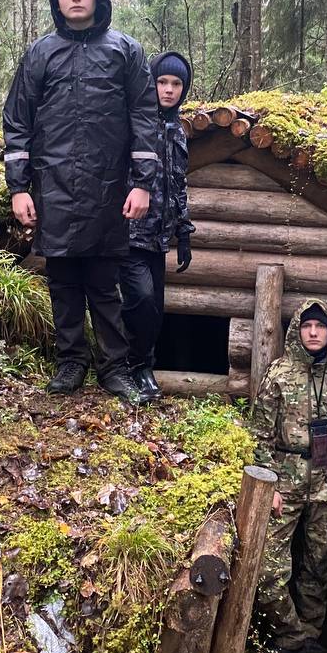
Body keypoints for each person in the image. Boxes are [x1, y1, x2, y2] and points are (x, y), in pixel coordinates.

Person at [3, 0, 160, 405]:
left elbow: (144, 119)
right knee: (63, 281)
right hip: (52, 189)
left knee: (105, 285)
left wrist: (142, 183)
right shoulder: (40, 53)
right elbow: (17, 122)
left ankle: (114, 368)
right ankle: (71, 362)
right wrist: (19, 188)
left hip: (111, 189)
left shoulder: (125, 51)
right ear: (57, 1)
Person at [251, 299, 327, 653]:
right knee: (270, 565)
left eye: (320, 326)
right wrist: (269, 485)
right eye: (307, 326)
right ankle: (291, 634)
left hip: (326, 477)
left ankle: (312, 633)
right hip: (285, 477)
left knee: (318, 563)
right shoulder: (278, 374)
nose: (314, 332)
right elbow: (259, 434)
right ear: (296, 331)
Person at [119, 50, 194, 404]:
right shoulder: (135, 122)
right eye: (161, 82)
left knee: (156, 305)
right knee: (141, 299)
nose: (168, 90)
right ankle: (130, 365)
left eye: (175, 83)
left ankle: (143, 368)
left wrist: (184, 232)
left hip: (160, 238)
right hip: (129, 232)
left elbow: (179, 185)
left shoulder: (179, 131)